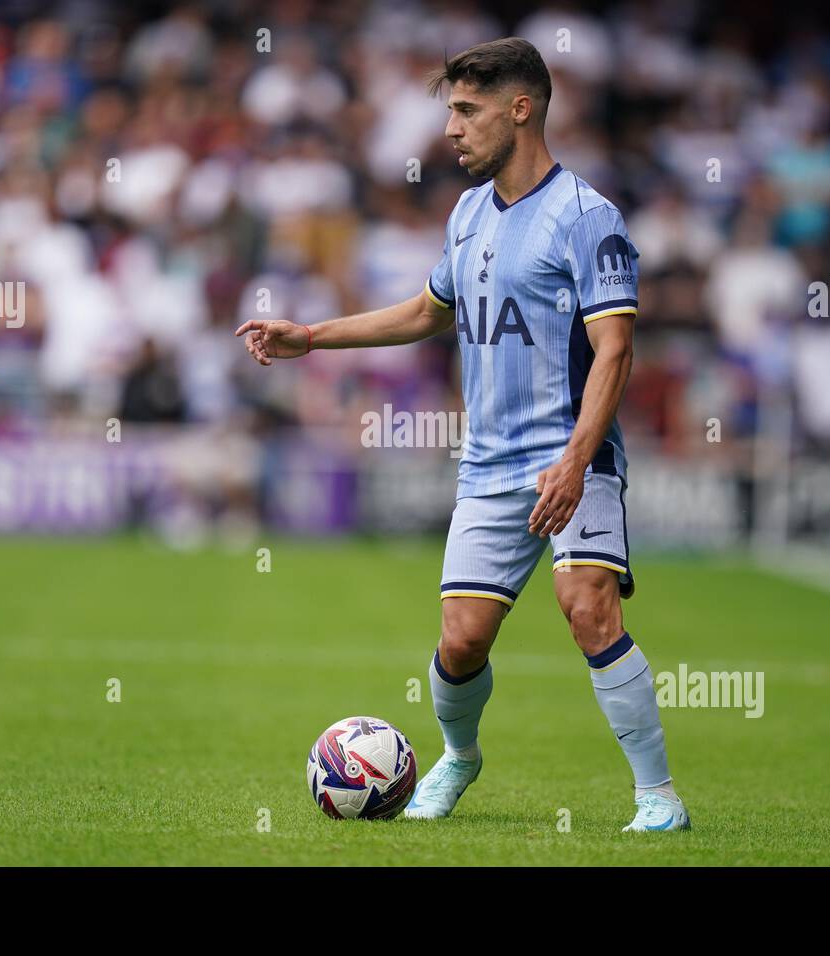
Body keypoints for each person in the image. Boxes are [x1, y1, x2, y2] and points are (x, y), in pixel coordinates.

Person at [236, 37, 689, 833]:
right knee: (462, 640)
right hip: (488, 465)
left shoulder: (589, 219)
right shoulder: (470, 211)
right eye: (451, 109)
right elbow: (425, 311)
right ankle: (461, 756)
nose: (450, 128)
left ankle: (657, 797)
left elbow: (616, 348)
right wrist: (312, 335)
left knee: (588, 610)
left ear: (521, 109)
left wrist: (579, 460)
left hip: (572, 458)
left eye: (466, 110)